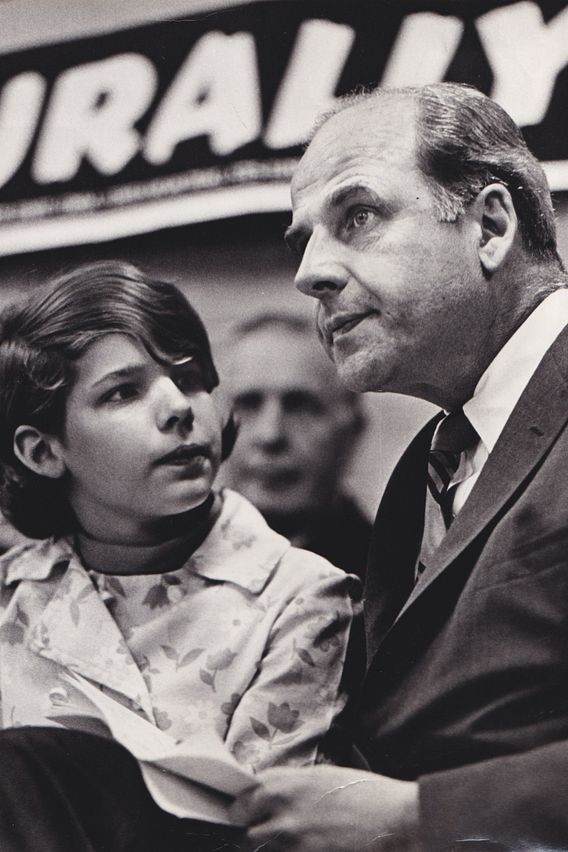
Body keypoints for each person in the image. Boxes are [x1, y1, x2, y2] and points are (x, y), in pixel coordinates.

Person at [231, 82, 568, 851]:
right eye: (303, 240)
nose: (309, 272)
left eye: (358, 217)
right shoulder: (425, 465)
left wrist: (419, 818)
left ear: (490, 225)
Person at [0, 261, 358, 852]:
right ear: (43, 451)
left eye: (191, 378)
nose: (180, 407)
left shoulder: (302, 597)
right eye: (123, 392)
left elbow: (273, 833)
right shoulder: (13, 593)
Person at [222, 310, 371, 579]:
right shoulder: (165, 570)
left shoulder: (397, 583)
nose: (270, 435)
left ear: (352, 432)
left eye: (300, 406)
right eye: (248, 404)